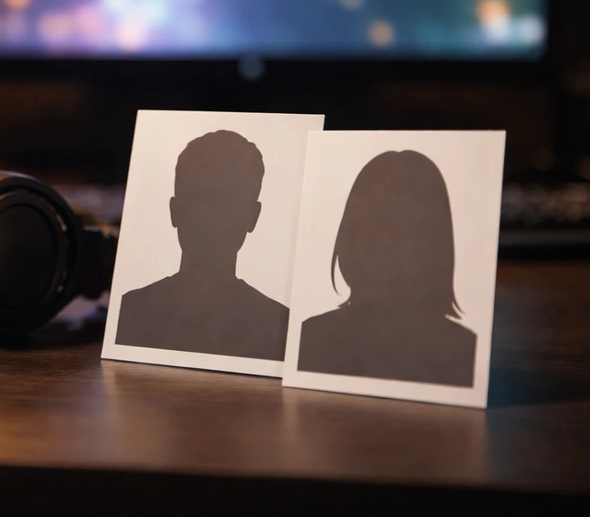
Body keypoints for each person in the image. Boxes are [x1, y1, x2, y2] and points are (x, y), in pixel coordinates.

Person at [297, 150, 477, 387]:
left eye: (404, 228)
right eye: (378, 223)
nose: (390, 240)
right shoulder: (463, 347)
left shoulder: (313, 336)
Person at [115, 130, 289, 360]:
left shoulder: (279, 325)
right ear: (174, 210)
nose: (208, 216)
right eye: (198, 198)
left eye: (226, 201)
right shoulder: (128, 311)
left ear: (252, 216)